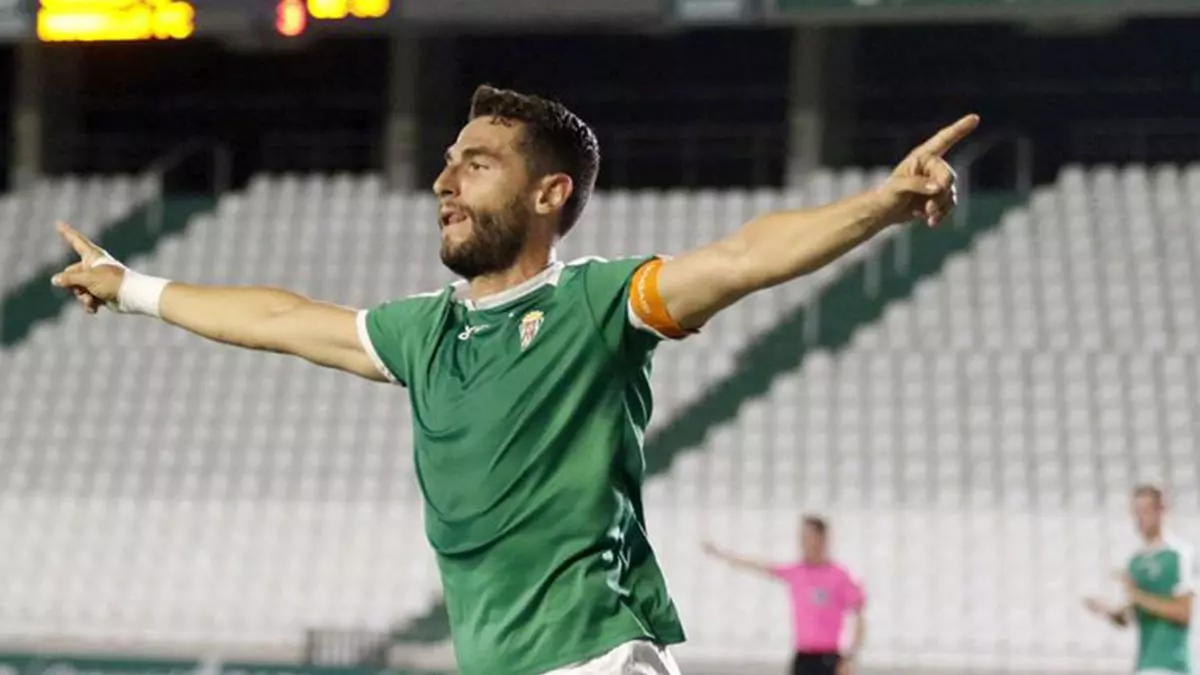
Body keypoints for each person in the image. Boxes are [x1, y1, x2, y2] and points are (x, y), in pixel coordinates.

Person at [50, 84, 976, 675]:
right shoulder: (425, 332)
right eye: (448, 162)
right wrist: (132, 287)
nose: (445, 180)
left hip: (597, 658)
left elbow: (741, 257)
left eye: (477, 163)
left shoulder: (597, 304)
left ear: (548, 194)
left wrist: (881, 205)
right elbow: (281, 318)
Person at [704, 516, 865, 675]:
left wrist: (850, 657)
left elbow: (859, 618)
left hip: (829, 658)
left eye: (808, 537)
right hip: (803, 657)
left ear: (822, 539)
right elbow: (758, 566)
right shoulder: (796, 572)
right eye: (802, 537)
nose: (803, 543)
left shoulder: (839, 576)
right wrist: (722, 554)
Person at [1085, 484, 1194, 675]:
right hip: (1144, 663)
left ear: (1161, 511)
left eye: (1145, 511)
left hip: (1172, 665)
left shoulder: (1178, 555)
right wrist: (1110, 611)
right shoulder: (1136, 561)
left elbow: (1183, 612)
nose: (1140, 518)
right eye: (1136, 512)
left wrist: (1135, 594)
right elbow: (1130, 616)